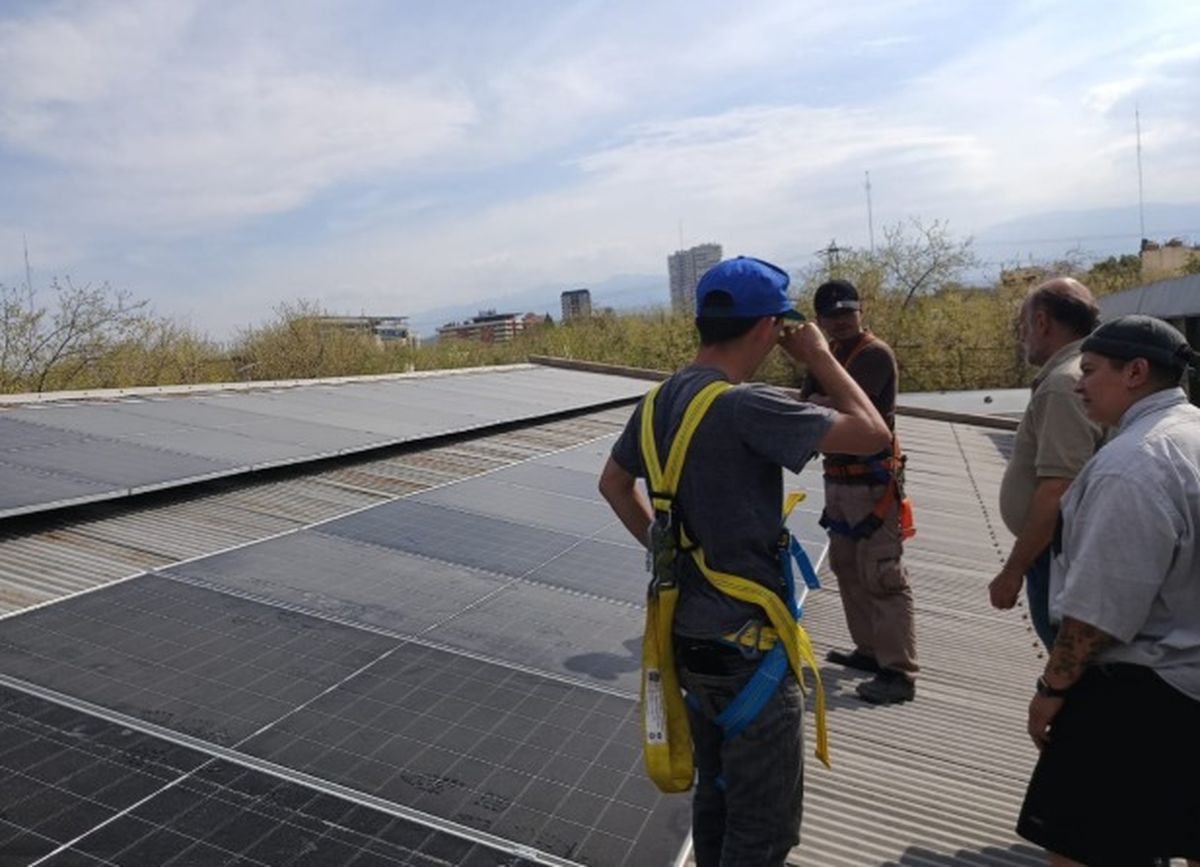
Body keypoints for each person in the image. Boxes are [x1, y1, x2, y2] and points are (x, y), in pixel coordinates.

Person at [599, 257, 890, 867]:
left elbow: (613, 484)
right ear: (768, 328)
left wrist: (670, 551)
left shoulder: (659, 401)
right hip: (748, 648)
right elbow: (872, 433)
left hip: (686, 637)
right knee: (762, 830)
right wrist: (821, 358)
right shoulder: (744, 406)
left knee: (718, 795)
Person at [1017, 314, 1200, 867]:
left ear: (1136, 372)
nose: (1078, 384)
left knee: (1083, 851)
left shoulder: (1134, 465)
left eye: (1091, 371)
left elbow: (1099, 613)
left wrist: (1052, 689)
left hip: (1144, 693)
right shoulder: (1191, 434)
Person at [800, 279, 918, 704]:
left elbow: (851, 411)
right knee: (848, 567)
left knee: (883, 574)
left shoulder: (873, 355)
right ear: (820, 321)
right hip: (840, 480)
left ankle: (899, 672)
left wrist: (820, 400)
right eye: (833, 316)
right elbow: (808, 404)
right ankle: (869, 650)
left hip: (873, 484)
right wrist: (820, 400)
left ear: (860, 312)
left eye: (848, 313)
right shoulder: (825, 357)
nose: (842, 321)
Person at [989, 278, 1104, 649]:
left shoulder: (1064, 383)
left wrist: (1013, 571)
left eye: (1023, 326)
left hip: (1056, 558)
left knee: (1066, 667)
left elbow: (1058, 488)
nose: (1023, 337)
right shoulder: (1086, 371)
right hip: (1057, 552)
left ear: (1041, 322)